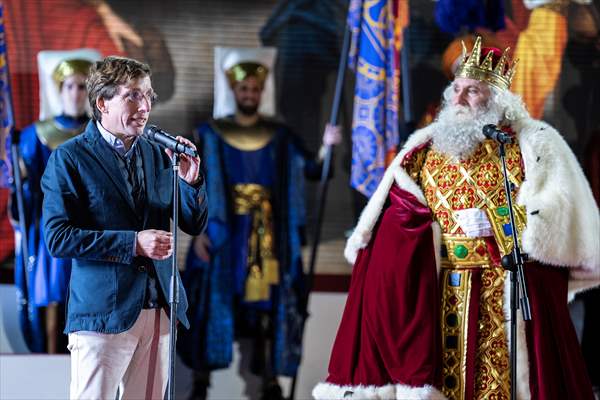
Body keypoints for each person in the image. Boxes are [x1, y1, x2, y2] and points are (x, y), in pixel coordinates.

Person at [313, 36, 599, 400]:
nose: (459, 99)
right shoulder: (425, 148)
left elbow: (559, 224)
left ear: (497, 100)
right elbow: (394, 217)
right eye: (457, 89)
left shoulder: (534, 144)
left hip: (505, 293)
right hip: (439, 292)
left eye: (473, 91)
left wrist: (498, 224)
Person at [177, 48, 341, 400]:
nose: (249, 94)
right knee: (211, 301)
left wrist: (328, 148)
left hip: (267, 232)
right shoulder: (210, 134)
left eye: (254, 88)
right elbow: (192, 184)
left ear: (261, 91)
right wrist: (201, 231)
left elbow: (310, 170)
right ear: (234, 91)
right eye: (243, 89)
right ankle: (200, 381)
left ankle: (269, 378)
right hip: (225, 232)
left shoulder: (279, 135)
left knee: (268, 302)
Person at [41, 56, 207, 399]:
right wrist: (133, 244)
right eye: (133, 96)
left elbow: (193, 222)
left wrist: (192, 183)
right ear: (102, 102)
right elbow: (58, 238)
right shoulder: (69, 158)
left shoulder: (159, 154)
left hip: (160, 309)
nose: (145, 106)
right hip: (102, 313)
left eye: (148, 96)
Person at [9, 55, 94, 354]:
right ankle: (48, 353)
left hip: (89, 229)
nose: (76, 93)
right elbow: (24, 191)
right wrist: (18, 177)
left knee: (84, 295)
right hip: (50, 230)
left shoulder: (99, 134)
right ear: (59, 90)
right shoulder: (35, 135)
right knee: (52, 292)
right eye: (69, 86)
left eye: (82, 86)